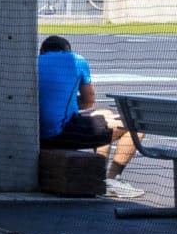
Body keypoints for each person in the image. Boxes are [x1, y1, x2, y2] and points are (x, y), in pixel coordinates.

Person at [38, 33, 137, 178]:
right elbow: (88, 100)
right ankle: (112, 178)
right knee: (134, 125)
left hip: (36, 134)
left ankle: (99, 174)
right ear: (67, 50)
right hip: (61, 134)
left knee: (105, 114)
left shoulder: (34, 62)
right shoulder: (77, 60)